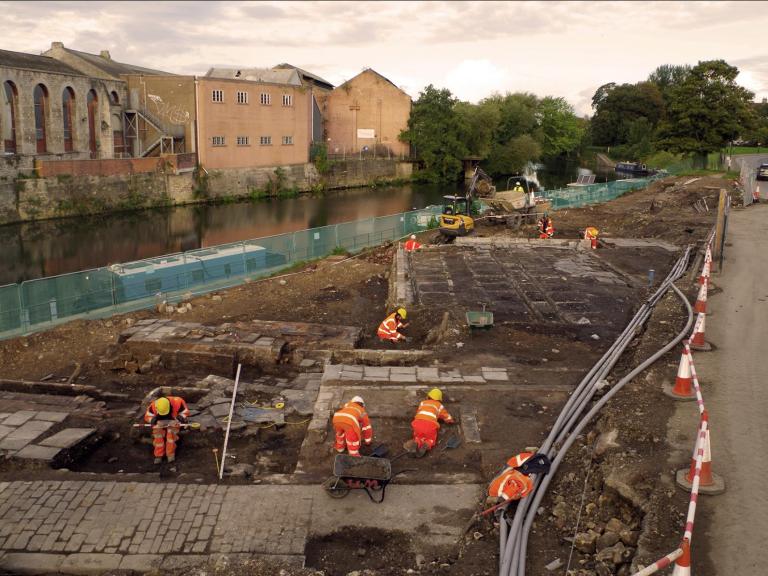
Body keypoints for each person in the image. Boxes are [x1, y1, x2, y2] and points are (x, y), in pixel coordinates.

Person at [144, 395, 190, 464]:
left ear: (170, 406)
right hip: (160, 422)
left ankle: (170, 454)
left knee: (170, 434)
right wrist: (153, 420)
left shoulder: (178, 402)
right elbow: (148, 415)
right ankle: (159, 455)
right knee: (157, 433)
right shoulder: (153, 405)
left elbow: (185, 411)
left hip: (174, 421)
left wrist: (180, 417)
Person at [411, 388, 454, 456]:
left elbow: (419, 412)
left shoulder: (422, 403)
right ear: (439, 399)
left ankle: (416, 442)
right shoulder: (439, 406)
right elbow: (446, 415)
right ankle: (427, 444)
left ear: (428, 396)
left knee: (418, 436)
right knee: (430, 438)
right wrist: (450, 420)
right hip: (430, 425)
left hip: (417, 423)